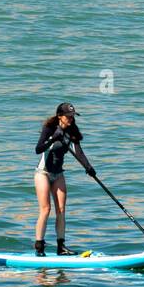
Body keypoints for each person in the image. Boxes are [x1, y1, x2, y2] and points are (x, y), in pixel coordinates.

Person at [33, 102, 95, 257]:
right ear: (59, 116)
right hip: (43, 173)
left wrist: (89, 167)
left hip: (59, 174)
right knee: (46, 209)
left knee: (61, 210)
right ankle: (39, 246)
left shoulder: (72, 132)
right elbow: (38, 149)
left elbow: (79, 153)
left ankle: (61, 247)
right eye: (68, 117)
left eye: (73, 116)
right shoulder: (49, 129)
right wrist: (53, 138)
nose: (71, 119)